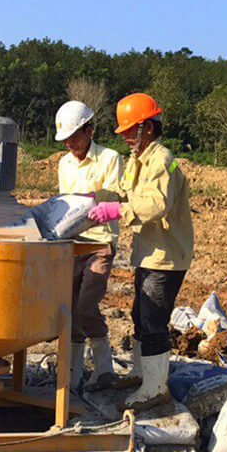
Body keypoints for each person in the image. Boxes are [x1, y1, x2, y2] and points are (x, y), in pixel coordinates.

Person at [86, 92, 193, 409]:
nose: (126, 138)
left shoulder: (162, 161)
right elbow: (123, 190)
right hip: (149, 253)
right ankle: (142, 373)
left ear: (147, 127)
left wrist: (116, 212)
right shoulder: (138, 160)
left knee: (153, 321)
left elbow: (156, 204)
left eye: (130, 131)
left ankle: (156, 388)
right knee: (139, 314)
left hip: (166, 256)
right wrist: (94, 195)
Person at [53, 100, 123, 393]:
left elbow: (117, 198)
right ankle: (73, 372)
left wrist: (96, 204)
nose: (69, 143)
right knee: (69, 307)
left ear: (89, 130)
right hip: (72, 244)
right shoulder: (64, 163)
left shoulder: (109, 159)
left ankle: (104, 368)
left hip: (99, 243)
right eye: (65, 139)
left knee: (86, 305)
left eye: (74, 136)